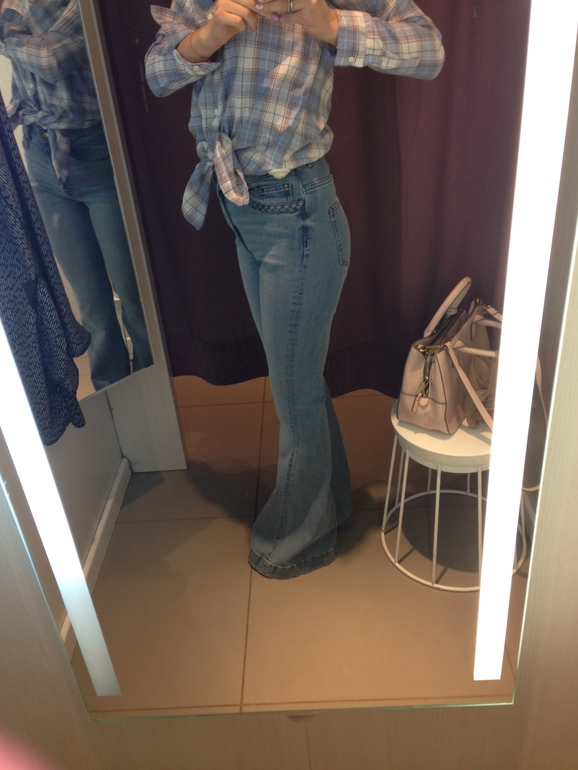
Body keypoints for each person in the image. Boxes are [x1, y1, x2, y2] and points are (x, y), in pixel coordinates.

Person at [145, 0, 444, 578]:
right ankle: (328, 505)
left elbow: (428, 49)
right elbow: (158, 73)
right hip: (242, 208)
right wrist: (211, 33)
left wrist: (331, 25)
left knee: (294, 391)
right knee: (296, 383)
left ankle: (298, 538)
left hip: (298, 214)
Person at [0, 0, 152, 391]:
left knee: (135, 298)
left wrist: (7, 31)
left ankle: (151, 397)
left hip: (96, 154)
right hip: (40, 153)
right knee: (92, 306)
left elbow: (51, 59)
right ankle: (113, 397)